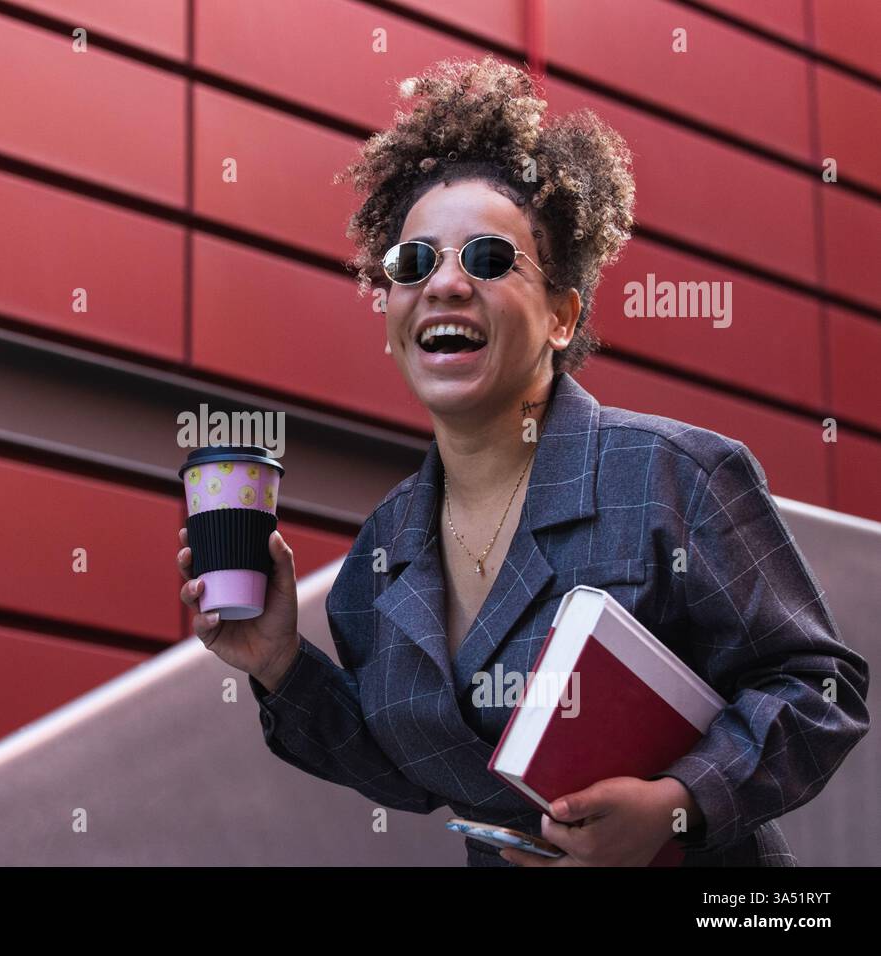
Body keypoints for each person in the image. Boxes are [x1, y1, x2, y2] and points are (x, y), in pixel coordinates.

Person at [176, 55, 869, 866]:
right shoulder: (379, 556)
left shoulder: (679, 479)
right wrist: (280, 662)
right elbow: (409, 773)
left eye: (489, 259)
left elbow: (819, 692)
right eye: (414, 263)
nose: (445, 284)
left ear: (562, 318)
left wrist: (677, 807)